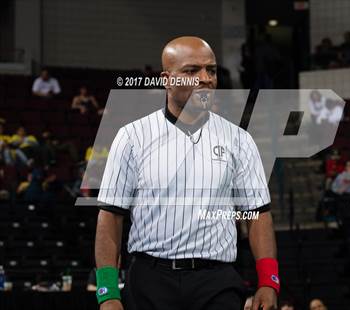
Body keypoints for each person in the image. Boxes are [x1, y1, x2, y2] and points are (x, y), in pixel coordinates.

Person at [95, 36, 279, 310]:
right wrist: (107, 292)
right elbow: (110, 217)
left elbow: (257, 215)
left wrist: (268, 281)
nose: (205, 78)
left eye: (211, 70)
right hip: (150, 280)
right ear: (167, 80)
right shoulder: (132, 137)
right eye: (192, 71)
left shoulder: (239, 140)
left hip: (217, 282)